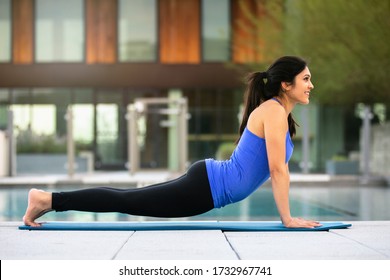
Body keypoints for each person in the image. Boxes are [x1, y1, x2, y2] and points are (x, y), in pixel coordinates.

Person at [23, 56, 321, 229]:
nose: (310, 85)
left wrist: (288, 217)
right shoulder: (273, 111)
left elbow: (277, 168)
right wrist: (288, 219)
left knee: (128, 198)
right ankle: (47, 199)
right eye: (305, 79)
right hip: (207, 186)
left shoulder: (278, 113)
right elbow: (277, 170)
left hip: (208, 183)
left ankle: (48, 199)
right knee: (127, 200)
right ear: (286, 84)